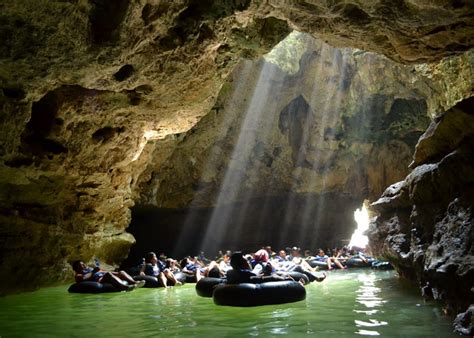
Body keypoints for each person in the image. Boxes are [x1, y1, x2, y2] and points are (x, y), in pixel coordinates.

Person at [72, 260, 145, 291]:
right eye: (81, 265)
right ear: (77, 268)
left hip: (103, 275)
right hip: (99, 280)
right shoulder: (79, 274)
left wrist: (117, 273)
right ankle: (125, 287)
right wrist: (94, 271)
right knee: (108, 274)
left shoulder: (90, 269)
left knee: (121, 272)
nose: (84, 265)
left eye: (83, 264)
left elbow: (103, 271)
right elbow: (83, 278)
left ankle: (134, 282)